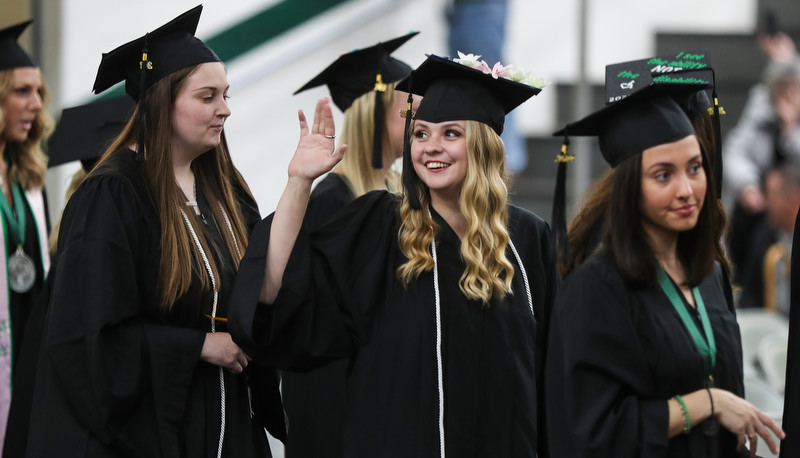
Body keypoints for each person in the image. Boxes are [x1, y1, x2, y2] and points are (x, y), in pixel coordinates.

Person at [229, 53, 558, 457]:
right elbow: (280, 294)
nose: (430, 147)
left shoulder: (525, 238)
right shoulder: (381, 227)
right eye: (420, 134)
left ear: (484, 144)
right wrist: (299, 183)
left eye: (450, 133)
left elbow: (551, 371)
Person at [25, 6, 285, 457]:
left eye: (226, 95)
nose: (225, 109)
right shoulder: (112, 196)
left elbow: (254, 293)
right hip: (156, 437)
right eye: (207, 97)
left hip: (227, 428)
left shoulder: (224, 191)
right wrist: (198, 346)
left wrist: (299, 184)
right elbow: (91, 340)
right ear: (163, 100)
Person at [546, 80, 785, 457]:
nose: (686, 189)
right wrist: (708, 403)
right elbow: (591, 432)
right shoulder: (595, 289)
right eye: (663, 175)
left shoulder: (710, 275)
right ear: (629, 188)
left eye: (694, 168)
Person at [282, 32, 420, 458]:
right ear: (374, 116)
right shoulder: (332, 200)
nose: (420, 123)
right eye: (409, 111)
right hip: (336, 397)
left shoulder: (401, 189)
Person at [0, 19, 53, 454]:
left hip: (29, 356)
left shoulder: (30, 179)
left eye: (39, 92)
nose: (36, 104)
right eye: (22, 91)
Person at [738, 161, 800, 312]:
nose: (767, 204)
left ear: (793, 201)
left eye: (772, 196)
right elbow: (750, 294)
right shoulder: (764, 234)